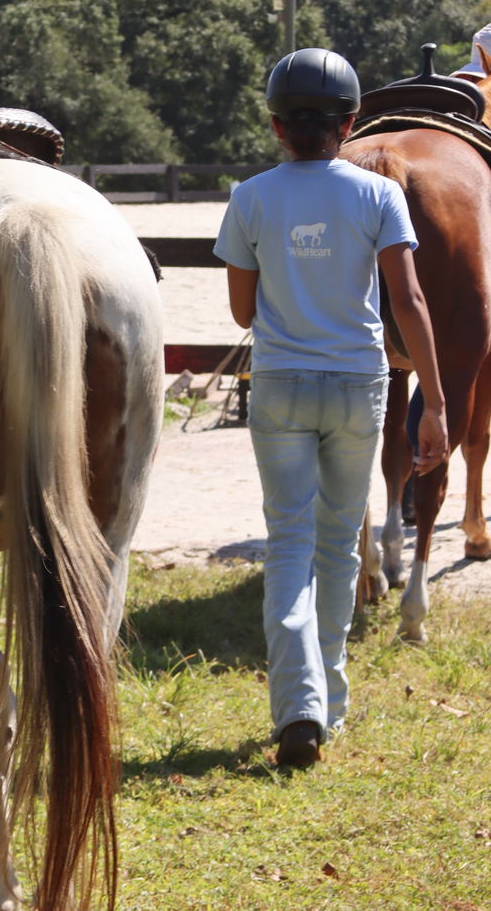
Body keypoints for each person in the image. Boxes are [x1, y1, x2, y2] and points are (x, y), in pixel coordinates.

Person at [214, 48, 447, 769]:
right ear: (348, 124)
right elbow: (407, 300)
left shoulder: (250, 196)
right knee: (339, 543)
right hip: (358, 387)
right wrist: (434, 403)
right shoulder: (378, 197)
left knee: (287, 543)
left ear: (278, 128)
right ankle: (331, 697)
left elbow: (241, 311)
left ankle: (299, 704)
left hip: (282, 386)